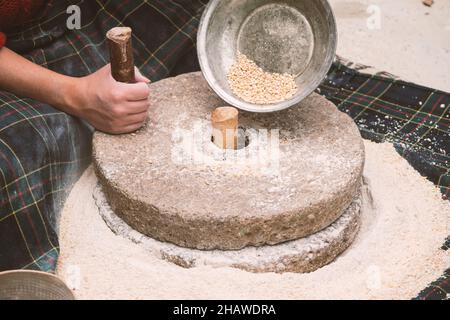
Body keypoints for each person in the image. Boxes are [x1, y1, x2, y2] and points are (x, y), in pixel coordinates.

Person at [0, 0, 206, 271]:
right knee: (13, 164)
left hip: (78, 13)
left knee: (199, 21)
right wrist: (77, 95)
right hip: (13, 63)